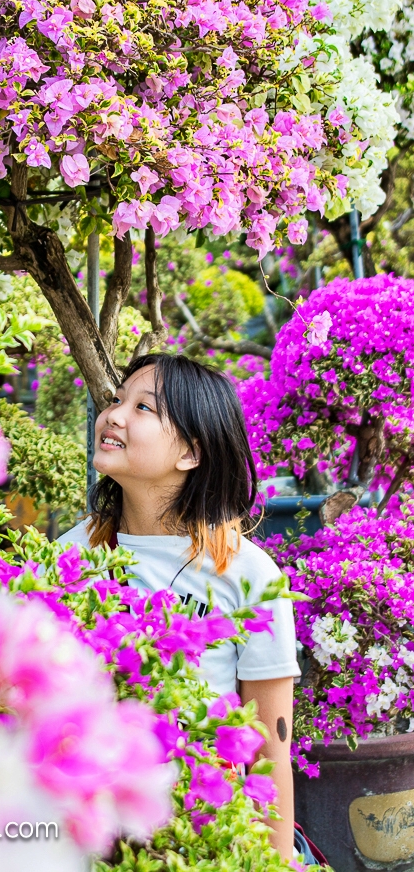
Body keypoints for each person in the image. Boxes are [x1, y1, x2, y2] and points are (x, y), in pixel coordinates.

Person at [62, 353, 300, 860]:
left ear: (191, 452)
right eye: (116, 400)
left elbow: (269, 747)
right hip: (86, 831)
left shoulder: (249, 575)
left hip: (199, 836)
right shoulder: (70, 554)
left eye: (143, 408)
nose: (115, 415)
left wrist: (276, 863)